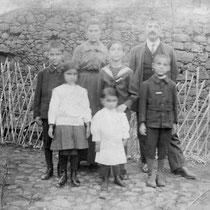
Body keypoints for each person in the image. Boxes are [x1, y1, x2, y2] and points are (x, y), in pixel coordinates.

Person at [129, 18, 196, 179]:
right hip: (144, 98)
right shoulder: (136, 51)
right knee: (144, 131)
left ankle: (178, 165)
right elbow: (132, 74)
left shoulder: (169, 50)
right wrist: (135, 96)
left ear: (160, 30)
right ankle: (146, 162)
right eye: (149, 26)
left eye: (156, 26)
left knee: (170, 132)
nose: (152, 29)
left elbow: (173, 75)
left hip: (164, 100)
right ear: (145, 29)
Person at [98, 40, 137, 179]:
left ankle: (120, 169)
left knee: (121, 139)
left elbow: (134, 94)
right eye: (113, 49)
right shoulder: (103, 72)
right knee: (106, 138)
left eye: (119, 49)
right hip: (107, 112)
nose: (116, 52)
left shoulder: (128, 72)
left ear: (123, 53)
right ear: (108, 53)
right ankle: (106, 169)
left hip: (121, 112)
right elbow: (99, 93)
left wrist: (125, 105)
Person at [48, 62, 91, 187]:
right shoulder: (58, 91)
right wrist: (51, 125)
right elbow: (53, 108)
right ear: (63, 75)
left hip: (77, 123)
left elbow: (86, 108)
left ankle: (73, 174)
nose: (72, 76)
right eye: (69, 74)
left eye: (74, 74)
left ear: (78, 76)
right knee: (64, 150)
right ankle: (63, 175)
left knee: (74, 151)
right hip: (63, 122)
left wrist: (88, 124)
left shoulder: (82, 91)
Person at [72, 18, 107, 170]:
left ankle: (93, 159)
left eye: (96, 30)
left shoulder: (105, 49)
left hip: (98, 84)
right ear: (86, 33)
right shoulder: (80, 49)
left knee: (96, 119)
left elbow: (107, 69)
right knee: (81, 119)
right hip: (83, 82)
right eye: (90, 30)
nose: (93, 34)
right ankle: (78, 158)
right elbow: (73, 69)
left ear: (100, 32)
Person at [139, 54, 178, 188]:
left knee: (163, 149)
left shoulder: (172, 85)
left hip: (167, 122)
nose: (161, 67)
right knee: (150, 148)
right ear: (153, 66)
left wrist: (175, 122)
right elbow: (142, 105)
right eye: (159, 64)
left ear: (168, 68)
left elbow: (174, 105)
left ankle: (160, 174)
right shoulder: (146, 85)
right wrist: (142, 122)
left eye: (165, 65)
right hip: (152, 122)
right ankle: (151, 174)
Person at [33, 41, 65, 180]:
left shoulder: (66, 73)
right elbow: (37, 95)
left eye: (57, 54)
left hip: (63, 114)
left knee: (63, 143)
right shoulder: (42, 74)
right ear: (47, 55)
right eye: (51, 54)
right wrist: (37, 114)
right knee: (47, 143)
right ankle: (49, 168)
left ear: (62, 55)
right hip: (46, 113)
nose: (54, 57)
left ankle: (61, 169)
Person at [91, 87, 130, 191]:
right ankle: (104, 178)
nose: (111, 103)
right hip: (105, 142)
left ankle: (117, 177)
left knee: (116, 159)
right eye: (108, 101)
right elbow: (95, 129)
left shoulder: (120, 114)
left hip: (116, 141)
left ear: (117, 101)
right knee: (104, 160)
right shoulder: (99, 115)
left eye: (114, 101)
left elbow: (125, 126)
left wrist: (125, 138)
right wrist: (97, 141)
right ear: (102, 101)